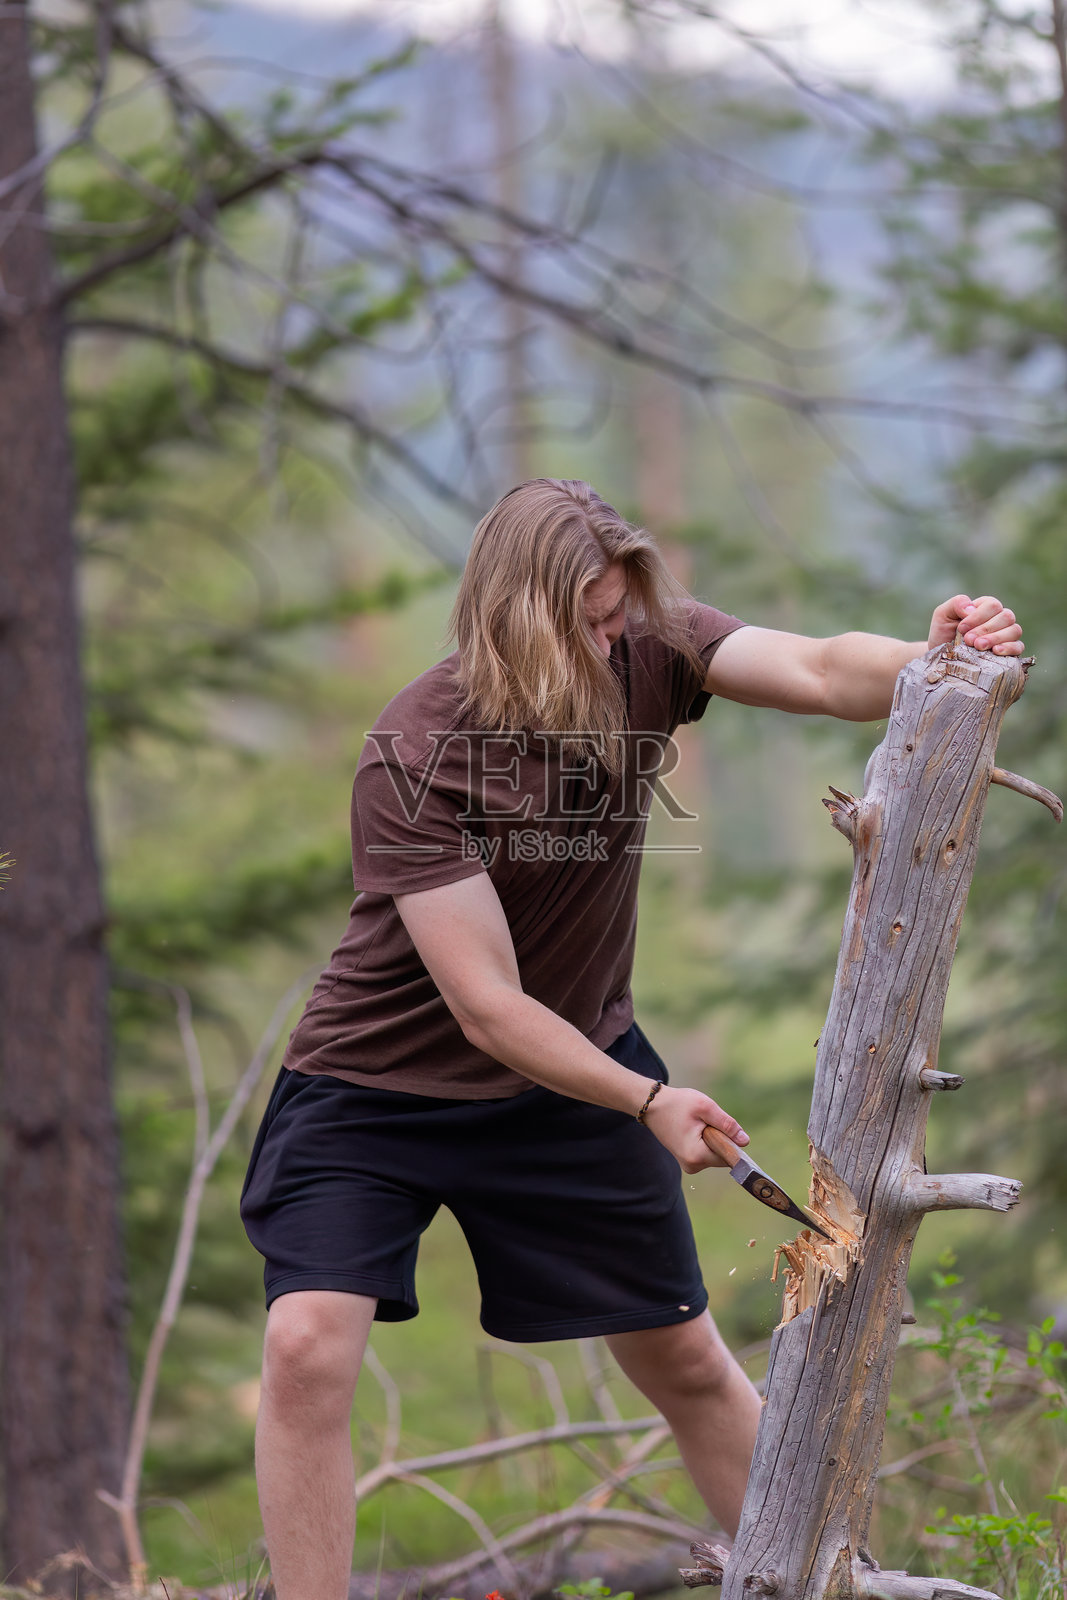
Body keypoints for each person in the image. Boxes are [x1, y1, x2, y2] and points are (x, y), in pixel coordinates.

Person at [240, 478, 1024, 1600]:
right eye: (591, 621)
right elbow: (487, 1007)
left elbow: (809, 667)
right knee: (306, 1347)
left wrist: (926, 658)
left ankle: (822, 1583)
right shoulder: (416, 751)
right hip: (374, 1088)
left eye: (621, 615)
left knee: (685, 1360)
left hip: (571, 1075)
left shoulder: (650, 648)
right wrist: (647, 1100)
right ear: (514, 617)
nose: (616, 642)